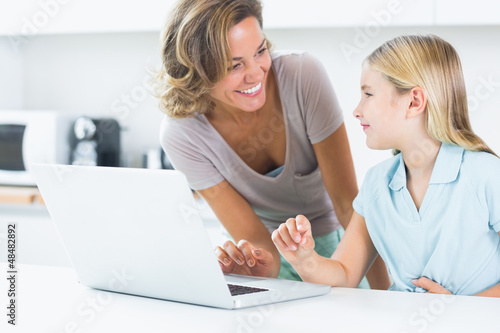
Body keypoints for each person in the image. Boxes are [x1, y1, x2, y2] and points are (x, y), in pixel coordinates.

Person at [155, 0, 390, 288]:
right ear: (196, 71)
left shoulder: (303, 76)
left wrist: (386, 293)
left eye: (260, 51)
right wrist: (257, 265)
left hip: (335, 253)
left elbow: (348, 206)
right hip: (260, 261)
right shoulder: (183, 134)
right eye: (234, 65)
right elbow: (253, 238)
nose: (255, 74)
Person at [272, 34, 500, 297]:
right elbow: (345, 275)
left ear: (414, 102)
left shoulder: (485, 175)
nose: (357, 110)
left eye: (368, 94)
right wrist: (303, 258)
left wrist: (460, 310)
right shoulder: (377, 183)